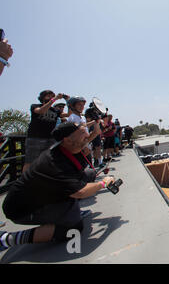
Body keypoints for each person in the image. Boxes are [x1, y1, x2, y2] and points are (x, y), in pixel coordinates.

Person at [1, 122, 115, 252]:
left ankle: (65, 212)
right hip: (23, 209)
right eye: (83, 133)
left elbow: (90, 141)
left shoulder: (69, 148)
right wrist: (103, 183)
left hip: (45, 195)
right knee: (73, 228)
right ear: (67, 139)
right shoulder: (54, 162)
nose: (87, 135)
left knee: (89, 174)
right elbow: (80, 192)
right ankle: (7, 239)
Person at [22, 90, 70, 173]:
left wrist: (68, 100)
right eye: (49, 96)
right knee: (30, 162)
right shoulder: (35, 106)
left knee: (48, 161)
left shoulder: (55, 110)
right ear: (42, 97)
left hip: (50, 139)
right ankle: (24, 182)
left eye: (52, 96)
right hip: (35, 138)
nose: (51, 97)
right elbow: (41, 111)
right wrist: (54, 99)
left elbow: (69, 114)